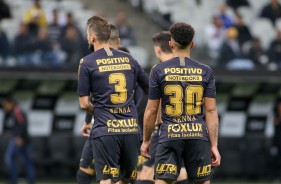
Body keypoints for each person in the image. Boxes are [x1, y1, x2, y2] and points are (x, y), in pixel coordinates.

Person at [141, 22, 221, 184]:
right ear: (192, 44)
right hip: (197, 136)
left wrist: (146, 140)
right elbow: (211, 110)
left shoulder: (158, 70)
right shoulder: (206, 71)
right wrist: (214, 145)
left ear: (171, 44)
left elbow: (151, 110)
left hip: (169, 135)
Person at [77, 16, 149, 184]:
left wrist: (101, 112)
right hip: (131, 130)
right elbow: (151, 90)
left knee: (107, 179)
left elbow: (84, 103)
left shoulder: (86, 62)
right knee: (125, 180)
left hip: (106, 130)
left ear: (92, 37)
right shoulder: (129, 59)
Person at [138, 31, 189, 184]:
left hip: (165, 132)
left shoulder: (159, 71)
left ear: (158, 50)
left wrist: (147, 137)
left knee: (146, 173)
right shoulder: (192, 69)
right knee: (181, 173)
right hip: (191, 130)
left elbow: (153, 109)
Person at [2, 97, 35, 184]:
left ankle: (14, 180)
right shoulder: (15, 111)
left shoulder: (17, 111)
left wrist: (20, 137)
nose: (4, 107)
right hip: (22, 140)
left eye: (5, 105)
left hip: (20, 140)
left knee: (10, 158)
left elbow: (23, 124)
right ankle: (27, 180)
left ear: (10, 103)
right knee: (26, 161)